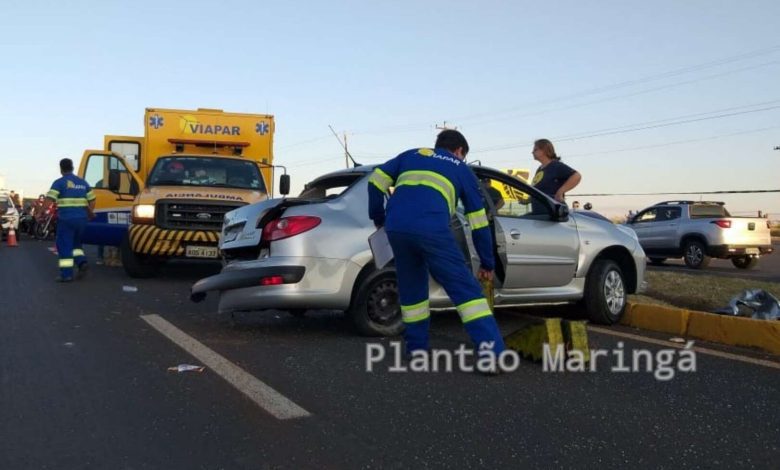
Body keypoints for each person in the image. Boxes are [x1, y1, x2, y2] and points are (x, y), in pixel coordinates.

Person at [367, 130, 505, 365]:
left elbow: (374, 181)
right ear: (460, 151)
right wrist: (487, 262)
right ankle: (492, 356)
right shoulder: (461, 168)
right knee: (466, 292)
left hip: (397, 229)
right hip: (432, 230)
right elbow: (479, 221)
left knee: (412, 292)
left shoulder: (411, 155)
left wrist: (379, 217)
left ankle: (417, 351)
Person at [45, 158, 96, 282]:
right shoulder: (83, 182)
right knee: (76, 244)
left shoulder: (59, 182)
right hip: (82, 220)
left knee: (64, 245)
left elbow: (49, 200)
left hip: (67, 219)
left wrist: (40, 212)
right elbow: (92, 199)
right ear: (72, 167)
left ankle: (66, 274)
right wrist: (89, 213)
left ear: (61, 168)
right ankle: (82, 263)